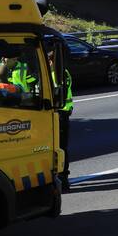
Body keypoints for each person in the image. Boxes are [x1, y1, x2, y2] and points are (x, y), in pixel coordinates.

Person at [47, 49, 73, 191]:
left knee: (61, 148)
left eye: (49, 61)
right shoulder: (60, 72)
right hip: (60, 113)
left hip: (61, 114)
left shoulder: (57, 74)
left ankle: (63, 179)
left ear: (52, 61)